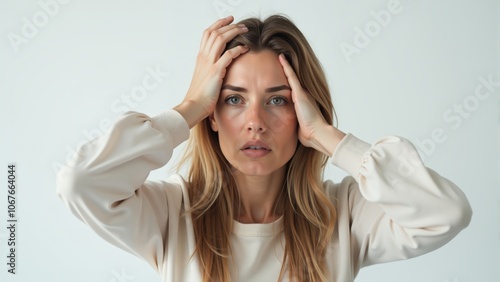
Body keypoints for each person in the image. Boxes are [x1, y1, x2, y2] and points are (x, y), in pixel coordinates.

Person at [56, 14, 472, 282]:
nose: (255, 121)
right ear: (212, 116)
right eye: (233, 99)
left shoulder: (344, 215)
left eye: (278, 100)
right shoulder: (170, 213)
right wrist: (187, 108)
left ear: (304, 114)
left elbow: (446, 213)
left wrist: (329, 137)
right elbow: (81, 183)